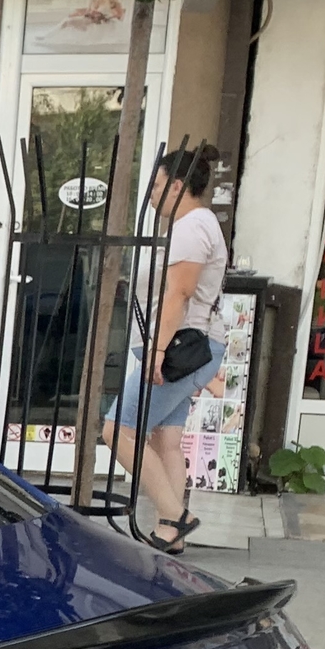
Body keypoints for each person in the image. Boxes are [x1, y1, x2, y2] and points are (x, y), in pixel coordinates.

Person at [105, 144, 229, 557]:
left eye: (157, 185)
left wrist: (156, 353)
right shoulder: (195, 225)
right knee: (166, 439)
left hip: (178, 348)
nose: (152, 195)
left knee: (117, 430)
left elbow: (180, 293)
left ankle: (174, 515)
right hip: (185, 346)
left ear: (177, 185)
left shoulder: (192, 226)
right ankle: (168, 532)